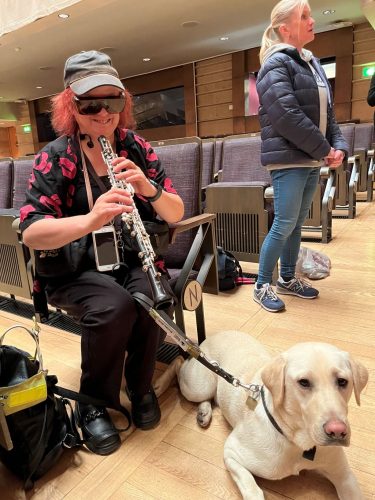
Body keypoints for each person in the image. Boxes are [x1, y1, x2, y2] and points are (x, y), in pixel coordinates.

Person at [20, 50, 184, 455]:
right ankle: (94, 404)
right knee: (113, 306)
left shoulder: (134, 147)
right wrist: (90, 220)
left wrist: (148, 188)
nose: (103, 113)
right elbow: (32, 233)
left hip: (126, 259)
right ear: (69, 106)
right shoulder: (56, 156)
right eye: (90, 103)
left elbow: (177, 212)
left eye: (112, 101)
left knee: (149, 296)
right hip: (71, 270)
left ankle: (140, 385)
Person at [254, 0, 348, 313]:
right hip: (289, 157)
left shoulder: (312, 62)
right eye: (303, 16)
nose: (311, 20)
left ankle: (287, 278)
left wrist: (339, 148)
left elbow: (329, 116)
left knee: (295, 225)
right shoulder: (274, 63)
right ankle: (261, 285)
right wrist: (325, 150)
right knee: (283, 223)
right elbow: (286, 115)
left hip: (309, 157)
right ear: (285, 28)